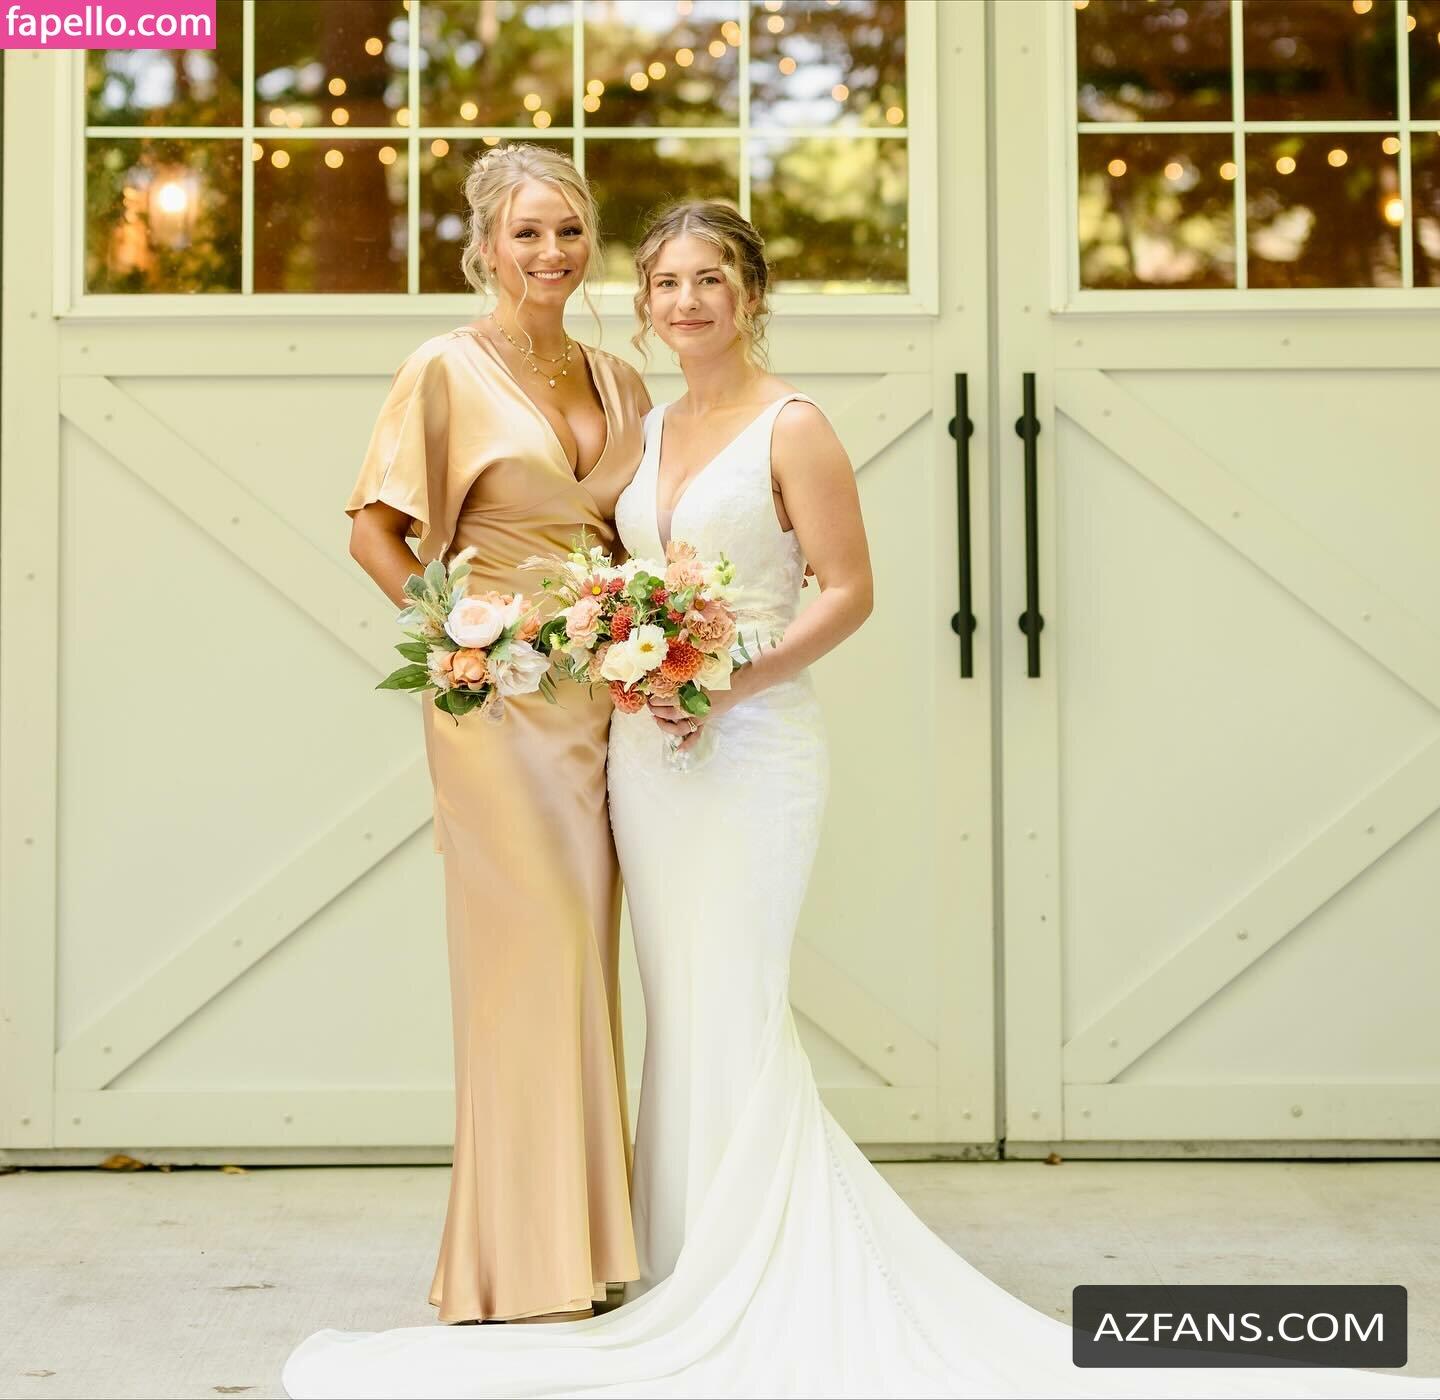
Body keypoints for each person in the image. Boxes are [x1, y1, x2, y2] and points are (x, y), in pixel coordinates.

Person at [282, 203, 1438, 1398]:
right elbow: (578, 553)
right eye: (667, 282)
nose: (687, 301)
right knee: (684, 1000)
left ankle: (765, 1271)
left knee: (738, 995)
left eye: (710, 279)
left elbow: (849, 588)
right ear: (645, 302)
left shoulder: (795, 424)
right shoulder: (647, 422)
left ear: (751, 293)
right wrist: (538, 642)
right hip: (645, 752)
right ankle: (683, 1260)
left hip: (750, 742)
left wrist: (727, 679)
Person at [332, 143, 649, 1327]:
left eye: (568, 230)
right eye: (527, 232)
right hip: (498, 701)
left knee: (584, 961)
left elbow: (634, 539)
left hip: (603, 701)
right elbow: (374, 531)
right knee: (531, 956)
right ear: (484, 244)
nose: (551, 252)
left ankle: (585, 1250)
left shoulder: (621, 379)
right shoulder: (445, 369)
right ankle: (515, 1263)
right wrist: (458, 638)